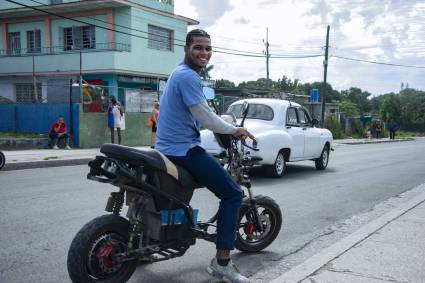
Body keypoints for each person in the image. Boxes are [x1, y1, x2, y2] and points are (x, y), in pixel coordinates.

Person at [155, 29, 255, 283]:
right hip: (182, 150)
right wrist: (234, 130)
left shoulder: (178, 74)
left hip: (166, 147)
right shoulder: (188, 77)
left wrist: (218, 126)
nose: (204, 53)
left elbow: (198, 115)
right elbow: (205, 117)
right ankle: (222, 263)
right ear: (186, 48)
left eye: (208, 49)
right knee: (233, 193)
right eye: (198, 47)